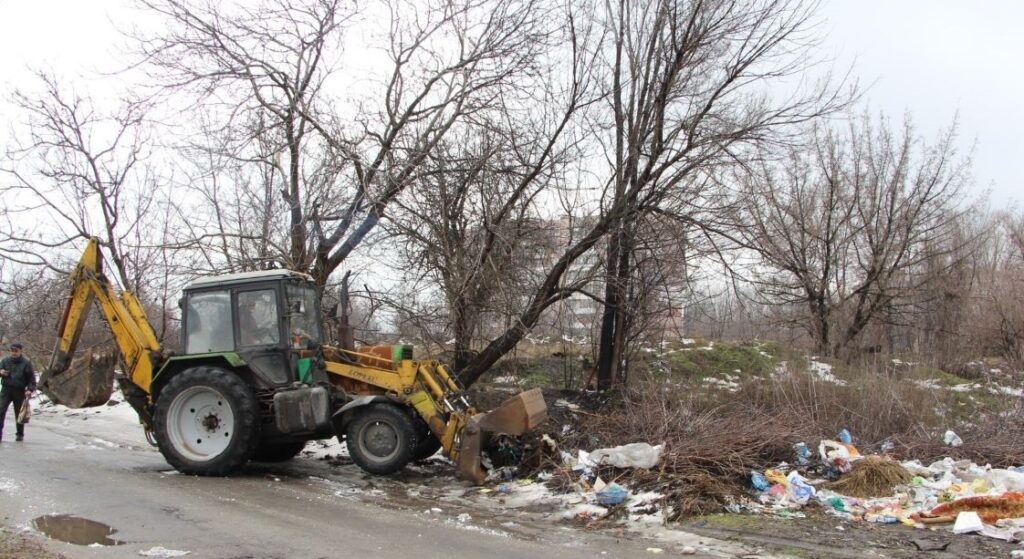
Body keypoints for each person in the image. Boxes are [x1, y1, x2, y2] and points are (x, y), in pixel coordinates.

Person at [0, 343, 36, 442]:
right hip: (6, 389)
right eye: (12, 351)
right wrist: (1, 372)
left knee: (19, 413)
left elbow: (31, 379)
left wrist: (30, 389)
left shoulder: (26, 363)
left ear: (20, 351)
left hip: (19, 391)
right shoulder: (5, 361)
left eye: (16, 351)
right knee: (1, 411)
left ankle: (19, 434)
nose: (14, 353)